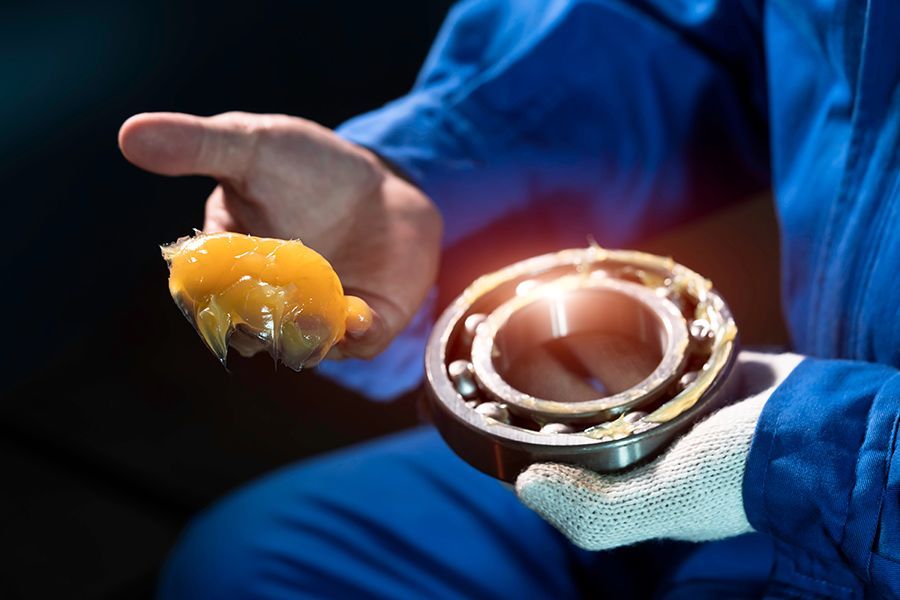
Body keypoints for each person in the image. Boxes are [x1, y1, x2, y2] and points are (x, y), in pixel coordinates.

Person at [118, 1, 899, 597]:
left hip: (839, 477)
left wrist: (826, 461)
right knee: (257, 564)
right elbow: (683, 19)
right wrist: (433, 168)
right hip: (782, 438)